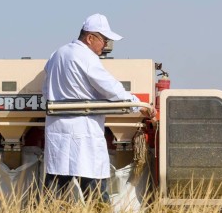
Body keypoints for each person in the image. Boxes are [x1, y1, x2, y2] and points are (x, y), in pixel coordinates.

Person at [43, 13, 151, 202]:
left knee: (56, 184)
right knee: (94, 184)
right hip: (83, 130)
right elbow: (111, 88)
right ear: (90, 37)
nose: (106, 45)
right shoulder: (86, 57)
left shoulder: (57, 54)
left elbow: (46, 89)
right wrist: (138, 105)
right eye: (104, 39)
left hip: (57, 128)